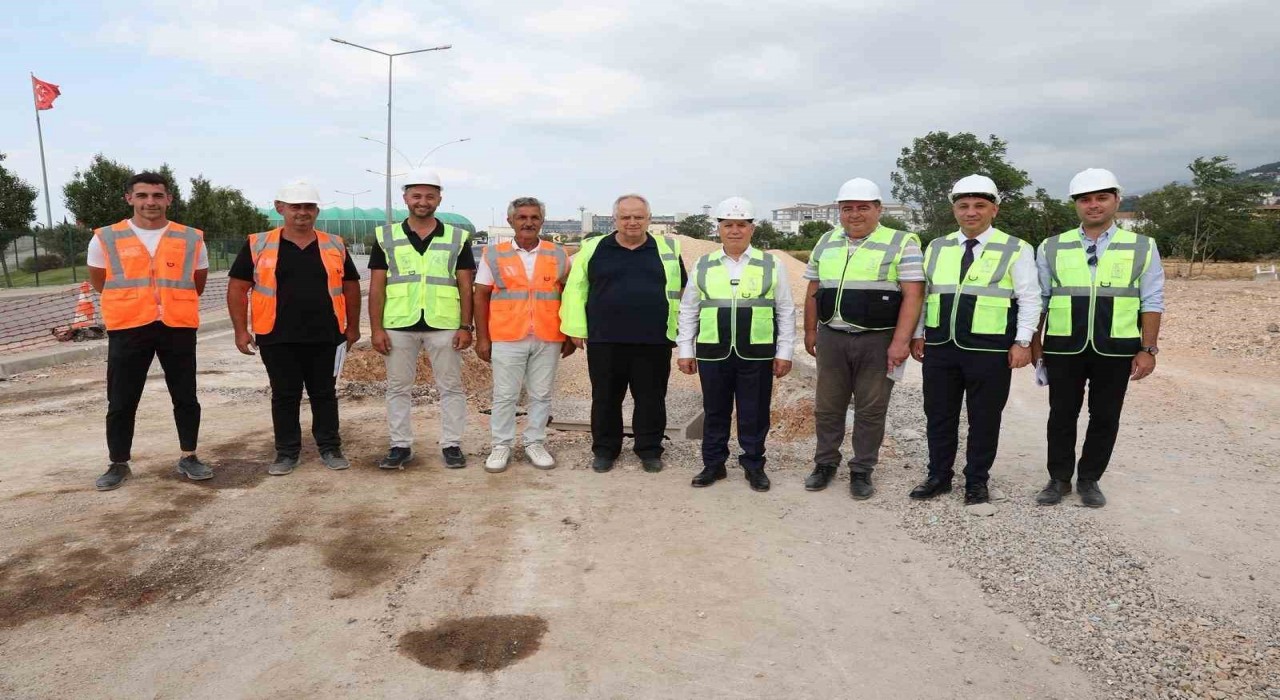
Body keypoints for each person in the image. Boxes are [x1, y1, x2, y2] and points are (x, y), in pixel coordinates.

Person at [1032, 168, 1164, 508]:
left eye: (1102, 198)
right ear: (1076, 204)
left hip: (1116, 347)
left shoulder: (1142, 246)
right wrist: (1035, 342)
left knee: (1105, 416)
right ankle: (1059, 478)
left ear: (1116, 200)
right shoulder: (1051, 246)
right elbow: (1041, 299)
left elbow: (1152, 300)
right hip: (1064, 345)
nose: (1093, 205)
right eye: (1085, 199)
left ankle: (1089, 479)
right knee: (1061, 414)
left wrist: (1148, 349)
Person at [909, 175, 1041, 505]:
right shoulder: (937, 247)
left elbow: (1030, 298)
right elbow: (925, 295)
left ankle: (977, 480)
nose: (971, 212)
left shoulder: (1016, 248)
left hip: (990, 350)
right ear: (954, 210)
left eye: (980, 205)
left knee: (984, 418)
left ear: (994, 210)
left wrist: (1023, 342)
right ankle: (938, 476)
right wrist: (918, 333)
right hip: (941, 347)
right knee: (939, 415)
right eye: (964, 206)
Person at [87, 172, 212, 490]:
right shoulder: (105, 238)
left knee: (185, 396)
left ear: (169, 199)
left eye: (157, 195)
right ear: (129, 198)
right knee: (121, 399)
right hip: (129, 326)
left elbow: (197, 282)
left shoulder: (191, 238)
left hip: (177, 326)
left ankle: (189, 456)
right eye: (142, 195)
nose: (150, 202)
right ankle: (118, 462)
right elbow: (101, 282)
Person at [227, 182, 361, 475]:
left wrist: (352, 327)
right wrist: (241, 330)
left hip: (327, 335)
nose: (302, 212)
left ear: (317, 210)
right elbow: (237, 288)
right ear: (280, 208)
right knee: (284, 395)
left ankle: (330, 447)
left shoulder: (334, 244)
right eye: (295, 206)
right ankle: (287, 453)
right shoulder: (258, 244)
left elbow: (351, 287)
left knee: (324, 394)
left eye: (309, 207)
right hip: (276, 335)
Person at [802, 178, 925, 500]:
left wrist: (901, 342)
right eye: (847, 208)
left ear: (878, 209)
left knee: (871, 409)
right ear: (839, 211)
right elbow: (814, 288)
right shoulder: (826, 241)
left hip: (878, 340)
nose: (854, 214)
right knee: (827, 406)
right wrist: (810, 330)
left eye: (862, 207)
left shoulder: (902, 242)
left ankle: (861, 469)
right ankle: (825, 463)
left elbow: (914, 295)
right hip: (832, 337)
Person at [560, 194, 687, 473]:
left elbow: (681, 289)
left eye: (638, 217)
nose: (632, 222)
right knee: (605, 398)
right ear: (614, 219)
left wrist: (681, 329)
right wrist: (575, 329)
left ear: (649, 219)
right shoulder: (594, 248)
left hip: (654, 339)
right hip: (605, 338)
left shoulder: (667, 249)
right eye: (625, 217)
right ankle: (605, 450)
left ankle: (649, 450)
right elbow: (575, 289)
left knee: (651, 399)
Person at [676, 197, 794, 491]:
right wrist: (686, 350)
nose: (735, 230)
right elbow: (689, 309)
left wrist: (784, 352)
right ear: (719, 228)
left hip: (757, 352)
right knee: (715, 410)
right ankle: (713, 465)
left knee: (754, 412)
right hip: (713, 351)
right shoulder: (704, 264)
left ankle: (754, 465)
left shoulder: (771, 264)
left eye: (741, 224)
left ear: (752, 228)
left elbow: (785, 309)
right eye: (728, 224)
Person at [368, 169, 475, 470]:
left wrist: (466, 326)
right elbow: (377, 286)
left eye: (430, 196)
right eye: (416, 195)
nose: (423, 201)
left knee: (451, 387)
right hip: (398, 323)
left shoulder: (457, 237)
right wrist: (376, 329)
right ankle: (400, 445)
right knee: (397, 387)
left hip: (444, 323)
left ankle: (452, 444)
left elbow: (465, 285)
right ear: (405, 198)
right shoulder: (386, 236)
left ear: (439, 199)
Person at [473, 197, 575, 473]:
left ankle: (535, 443)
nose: (528, 223)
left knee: (541, 394)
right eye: (522, 217)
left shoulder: (558, 254)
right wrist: (482, 338)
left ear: (542, 221)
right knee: (505, 395)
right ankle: (501, 445)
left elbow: (569, 295)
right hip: (507, 335)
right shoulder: (494, 255)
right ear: (511, 221)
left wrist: (569, 334)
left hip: (547, 335)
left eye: (534, 217)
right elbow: (481, 295)